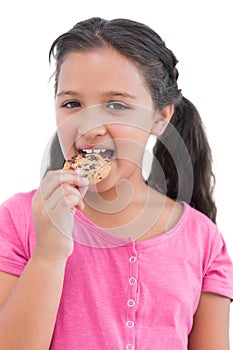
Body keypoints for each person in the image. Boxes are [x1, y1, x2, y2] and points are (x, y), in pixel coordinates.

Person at [0, 17, 232, 350]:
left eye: (116, 105)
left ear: (159, 116)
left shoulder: (203, 240)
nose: (90, 126)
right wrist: (49, 254)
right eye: (72, 104)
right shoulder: (18, 220)